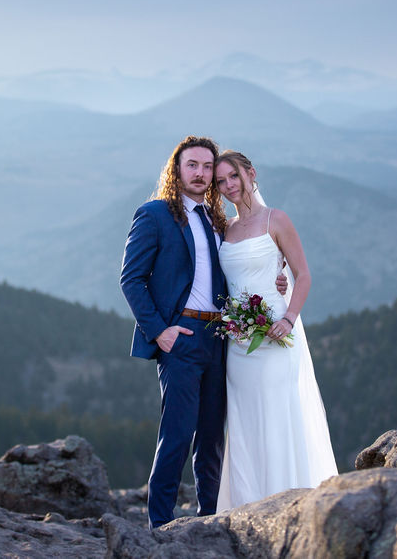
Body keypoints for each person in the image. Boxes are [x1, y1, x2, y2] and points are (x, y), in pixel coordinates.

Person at [119, 136, 287, 528]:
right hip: (181, 335)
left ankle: (207, 520)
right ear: (176, 170)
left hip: (221, 337)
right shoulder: (155, 214)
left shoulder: (216, 221)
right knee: (177, 434)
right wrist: (160, 332)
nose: (201, 173)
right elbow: (131, 279)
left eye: (207, 167)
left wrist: (275, 281)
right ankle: (159, 525)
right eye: (192, 165)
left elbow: (238, 271)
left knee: (212, 438)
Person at [213, 150, 338, 511]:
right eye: (220, 182)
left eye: (233, 176)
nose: (228, 186)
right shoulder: (226, 228)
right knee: (244, 423)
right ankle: (247, 509)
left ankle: (287, 506)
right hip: (239, 343)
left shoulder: (276, 220)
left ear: (250, 173)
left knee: (276, 418)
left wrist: (288, 318)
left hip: (277, 337)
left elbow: (303, 275)